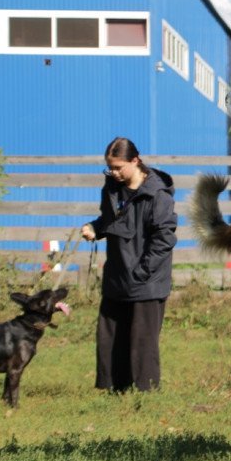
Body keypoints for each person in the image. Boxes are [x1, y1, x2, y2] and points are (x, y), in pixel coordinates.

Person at [81, 137, 177, 393]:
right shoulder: (111, 189)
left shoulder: (157, 195)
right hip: (117, 273)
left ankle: (146, 393)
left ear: (135, 161)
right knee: (110, 336)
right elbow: (112, 220)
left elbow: (164, 238)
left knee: (142, 340)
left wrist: (142, 271)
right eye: (109, 168)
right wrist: (96, 228)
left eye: (118, 167)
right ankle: (117, 389)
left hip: (148, 279)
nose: (113, 173)